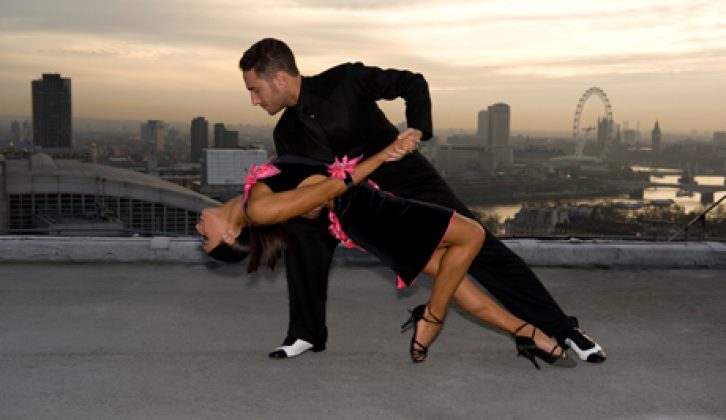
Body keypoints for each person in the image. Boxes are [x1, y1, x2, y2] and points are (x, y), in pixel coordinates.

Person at [237, 37, 606, 362]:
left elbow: (410, 82)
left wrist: (417, 127)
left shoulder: (345, 79)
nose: (254, 100)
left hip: (406, 180)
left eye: (255, 89)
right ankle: (305, 333)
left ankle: (561, 328)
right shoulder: (285, 131)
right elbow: (303, 182)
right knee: (303, 235)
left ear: (280, 78)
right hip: (352, 204)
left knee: (482, 248)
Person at [197, 141, 573, 367]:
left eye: (202, 238)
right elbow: (330, 189)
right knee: (472, 234)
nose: (200, 231)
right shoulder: (261, 210)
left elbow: (312, 198)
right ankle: (432, 319)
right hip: (375, 216)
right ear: (231, 235)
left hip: (372, 215)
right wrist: (384, 155)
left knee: (454, 279)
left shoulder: (255, 198)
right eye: (207, 241)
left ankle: (529, 334)